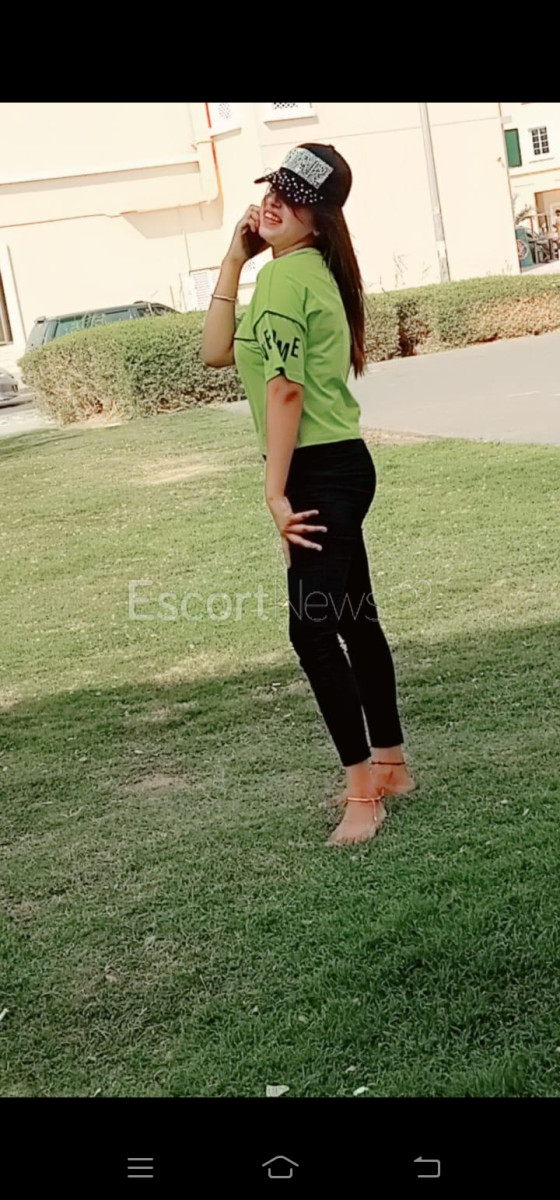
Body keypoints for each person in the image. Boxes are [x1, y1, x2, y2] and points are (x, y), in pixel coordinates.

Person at [201, 143, 415, 846]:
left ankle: (364, 792)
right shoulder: (300, 272)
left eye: (292, 197)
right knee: (352, 617)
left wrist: (275, 493)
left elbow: (285, 391)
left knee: (313, 629)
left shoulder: (289, 279)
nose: (273, 202)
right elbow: (215, 352)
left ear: (318, 219)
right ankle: (389, 766)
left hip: (318, 472)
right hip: (337, 464)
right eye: (273, 188)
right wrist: (234, 261)